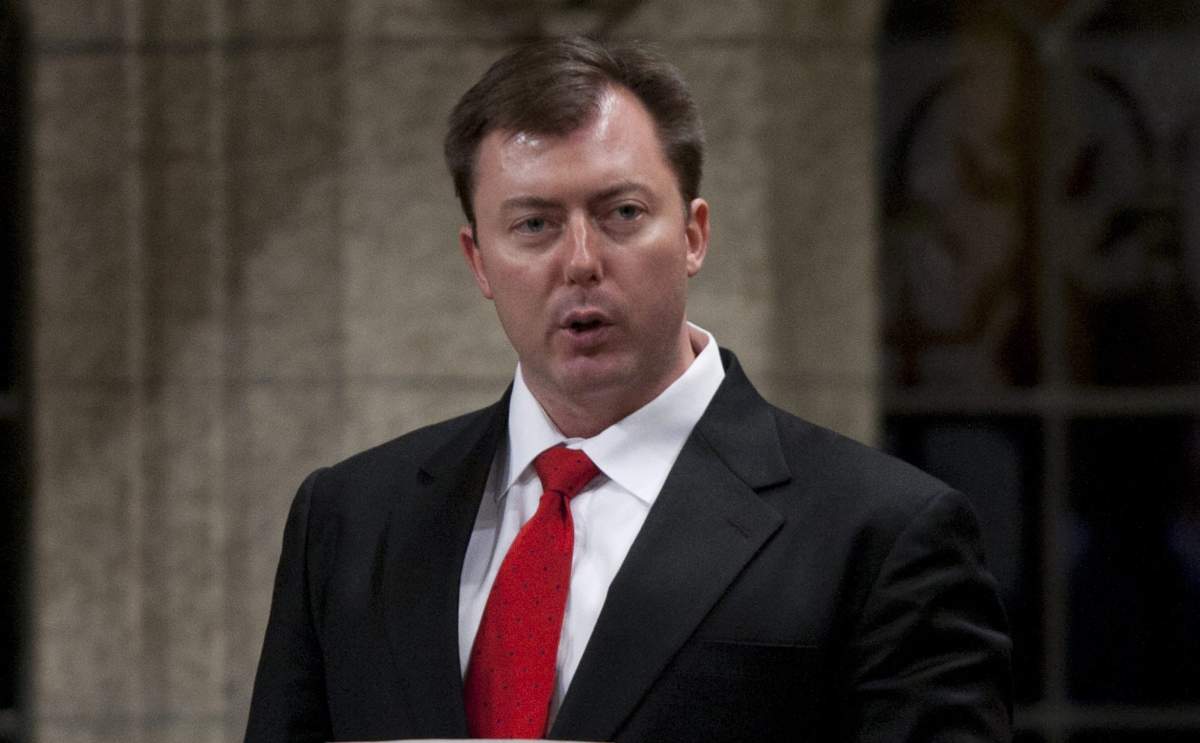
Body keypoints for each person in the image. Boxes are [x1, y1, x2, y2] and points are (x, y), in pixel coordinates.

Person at [245, 36, 1012, 742]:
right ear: (479, 261)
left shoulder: (882, 534)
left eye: (622, 213)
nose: (581, 260)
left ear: (693, 235)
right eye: (535, 224)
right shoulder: (348, 519)